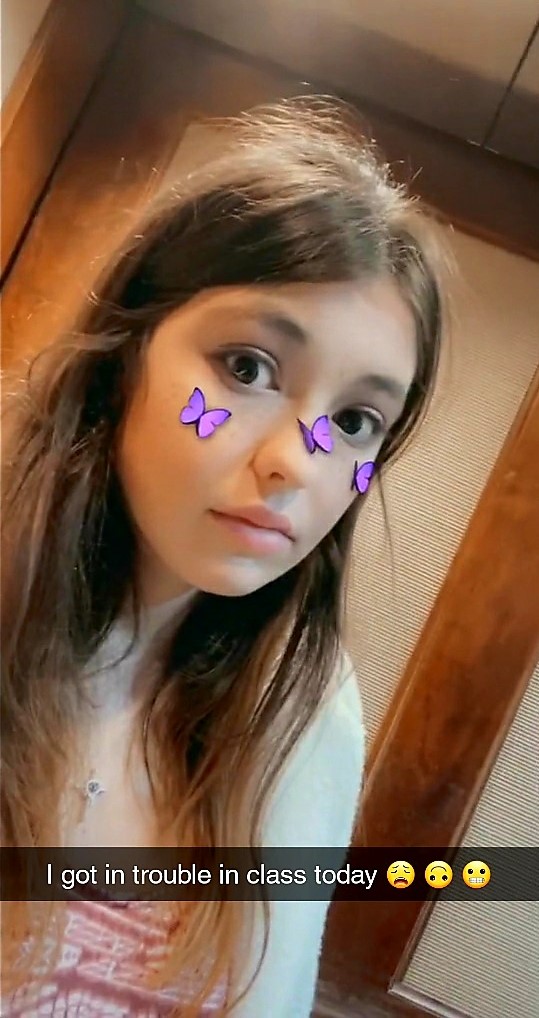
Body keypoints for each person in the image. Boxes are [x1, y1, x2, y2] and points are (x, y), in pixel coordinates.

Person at [1, 95, 452, 1016]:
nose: (296, 461)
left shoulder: (303, 714)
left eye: (355, 421)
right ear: (125, 353)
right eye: (247, 367)